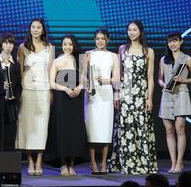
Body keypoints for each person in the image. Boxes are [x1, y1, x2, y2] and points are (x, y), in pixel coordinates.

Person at [109, 20, 158, 174]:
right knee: (126, 129)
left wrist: (149, 98)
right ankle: (128, 163)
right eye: (129, 29)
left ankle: (144, 162)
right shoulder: (122, 49)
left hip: (141, 93)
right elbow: (119, 75)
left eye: (134, 30)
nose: (131, 32)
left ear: (141, 32)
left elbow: (150, 77)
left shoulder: (148, 51)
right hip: (126, 93)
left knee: (142, 128)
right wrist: (117, 94)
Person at [16, 18, 55, 176]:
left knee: (41, 127)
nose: (36, 30)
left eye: (39, 27)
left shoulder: (50, 47)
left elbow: (51, 70)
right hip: (28, 90)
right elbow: (19, 71)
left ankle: (39, 161)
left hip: (44, 89)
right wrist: (20, 90)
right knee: (28, 127)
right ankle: (30, 162)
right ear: (29, 29)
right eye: (33, 27)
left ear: (43, 30)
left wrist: (51, 90)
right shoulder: (22, 47)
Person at [158, 33, 191, 174]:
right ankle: (173, 163)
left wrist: (184, 80)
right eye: (170, 42)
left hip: (181, 94)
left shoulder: (187, 59)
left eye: (175, 41)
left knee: (179, 129)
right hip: (166, 96)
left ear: (181, 42)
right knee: (169, 130)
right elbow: (159, 78)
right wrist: (163, 85)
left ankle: (180, 163)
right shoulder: (164, 59)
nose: (172, 44)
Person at [46, 35, 87, 176]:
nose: (67, 47)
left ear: (74, 45)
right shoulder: (57, 61)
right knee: (62, 130)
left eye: (70, 44)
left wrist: (79, 87)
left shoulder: (81, 59)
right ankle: (63, 164)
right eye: (64, 44)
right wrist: (65, 88)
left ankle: (72, 164)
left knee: (75, 131)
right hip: (62, 99)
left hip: (76, 99)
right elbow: (51, 83)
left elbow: (86, 81)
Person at [83, 29, 120, 174]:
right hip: (91, 94)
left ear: (108, 40)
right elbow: (82, 75)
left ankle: (104, 163)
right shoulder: (87, 54)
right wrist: (88, 84)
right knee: (91, 129)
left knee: (105, 130)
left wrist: (103, 80)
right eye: (98, 38)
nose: (100, 41)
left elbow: (116, 78)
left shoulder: (114, 56)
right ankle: (93, 164)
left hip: (106, 93)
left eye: (103, 39)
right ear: (94, 40)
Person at [0, 33, 22, 151]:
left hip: (11, 105)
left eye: (11, 43)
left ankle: (9, 167)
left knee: (10, 137)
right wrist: (3, 89)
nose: (8, 46)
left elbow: (18, 86)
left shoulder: (16, 65)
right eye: (6, 43)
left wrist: (14, 97)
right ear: (1, 44)